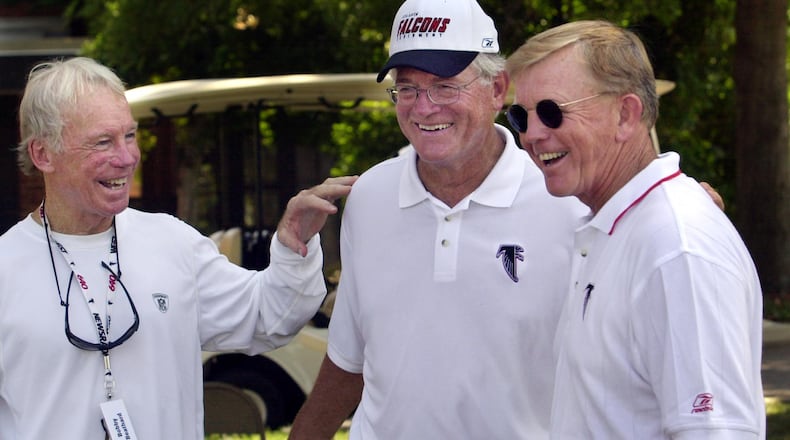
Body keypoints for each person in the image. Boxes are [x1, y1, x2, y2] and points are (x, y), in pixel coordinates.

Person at [0, 56, 355, 439]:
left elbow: (268, 317)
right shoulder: (7, 268)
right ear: (43, 154)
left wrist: (293, 245)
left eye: (130, 136)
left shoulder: (171, 243)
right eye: (102, 142)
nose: (127, 158)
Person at [288, 0, 588, 438]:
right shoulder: (370, 197)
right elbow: (350, 359)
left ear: (496, 88)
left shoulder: (568, 202)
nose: (423, 108)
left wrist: (677, 204)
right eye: (406, 88)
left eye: (445, 86)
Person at [505, 20, 764, 438]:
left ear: (626, 115)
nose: (532, 135)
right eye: (520, 115)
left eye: (552, 112)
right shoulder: (618, 229)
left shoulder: (676, 248)